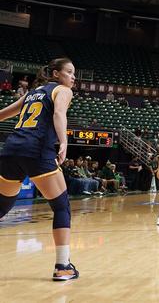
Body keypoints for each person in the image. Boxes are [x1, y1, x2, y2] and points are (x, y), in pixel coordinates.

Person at [0, 58, 79, 280]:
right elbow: (58, 114)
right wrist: (63, 141)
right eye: (69, 72)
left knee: (2, 207)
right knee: (61, 206)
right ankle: (63, 266)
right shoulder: (62, 90)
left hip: (11, 149)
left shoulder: (34, 93)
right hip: (37, 150)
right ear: (56, 74)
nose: (73, 77)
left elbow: (3, 114)